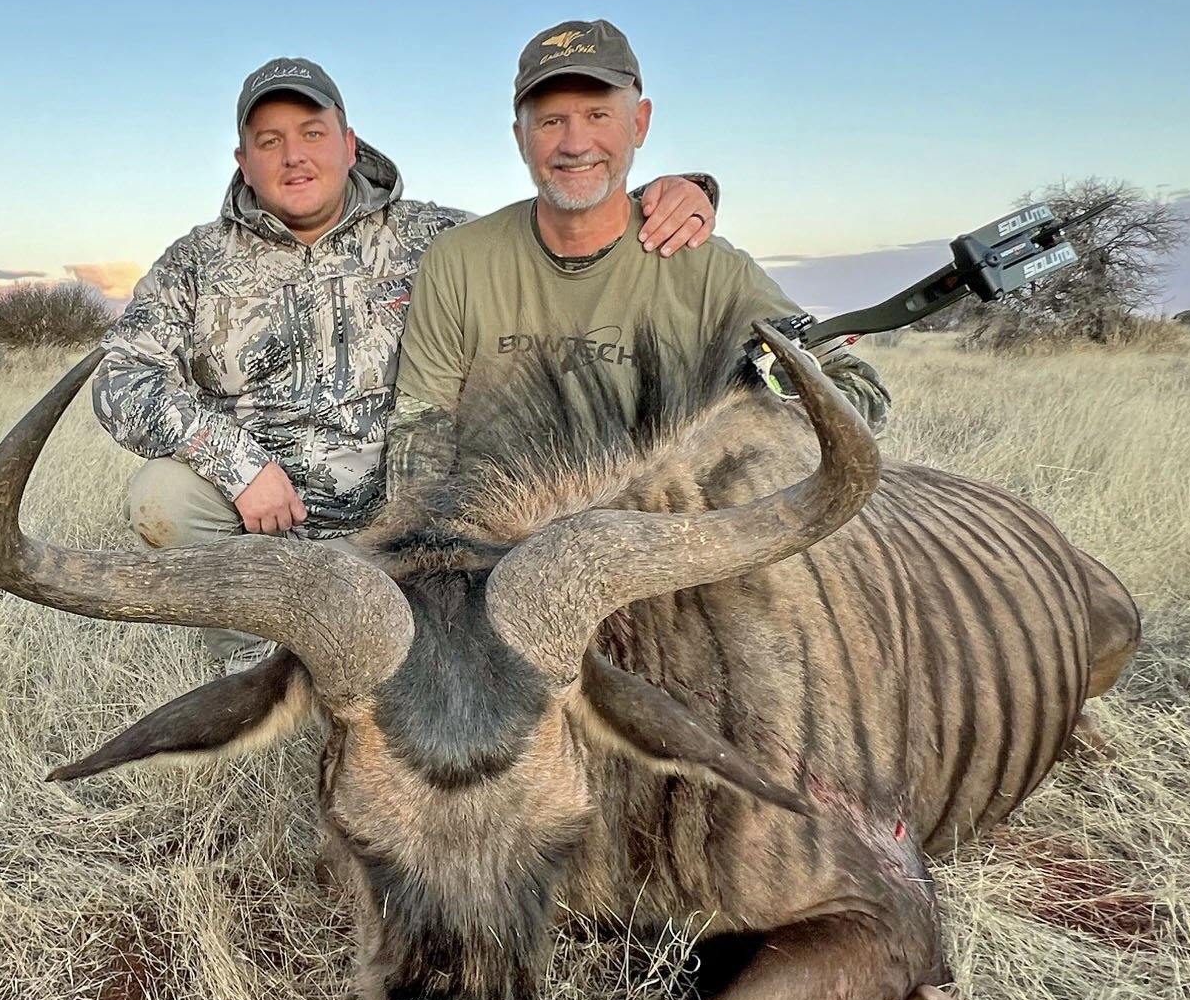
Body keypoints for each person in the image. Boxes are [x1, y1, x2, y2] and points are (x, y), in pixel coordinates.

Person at [92, 56, 721, 669]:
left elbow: (563, 235)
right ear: (243, 160)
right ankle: (262, 668)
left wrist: (675, 195)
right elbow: (120, 377)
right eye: (270, 140)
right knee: (162, 498)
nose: (294, 156)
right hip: (269, 520)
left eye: (313, 134)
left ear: (348, 143)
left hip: (425, 513)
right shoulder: (197, 261)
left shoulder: (438, 237)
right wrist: (237, 464)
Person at [386, 19, 889, 502]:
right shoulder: (458, 259)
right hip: (493, 552)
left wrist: (725, 436)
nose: (575, 143)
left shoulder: (708, 269)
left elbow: (857, 391)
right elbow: (419, 440)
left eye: (598, 115)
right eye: (551, 121)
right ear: (521, 137)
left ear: (640, 123)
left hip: (660, 553)